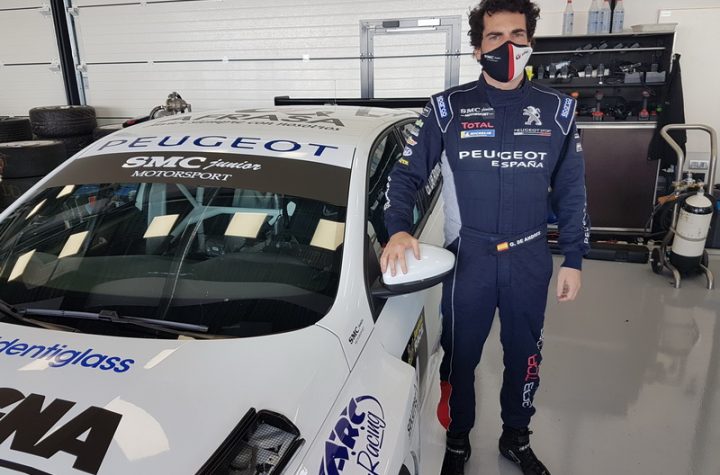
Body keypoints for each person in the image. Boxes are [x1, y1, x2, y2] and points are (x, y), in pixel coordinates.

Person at [380, 1, 590, 474]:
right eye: (495, 37)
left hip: (530, 257)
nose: (507, 46)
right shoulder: (446, 108)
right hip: (468, 258)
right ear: (478, 49)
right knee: (460, 358)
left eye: (518, 35)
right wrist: (398, 229)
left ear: (530, 43)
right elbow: (405, 176)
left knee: (525, 357)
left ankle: (516, 437)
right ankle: (457, 441)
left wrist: (574, 257)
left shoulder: (558, 110)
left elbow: (572, 189)